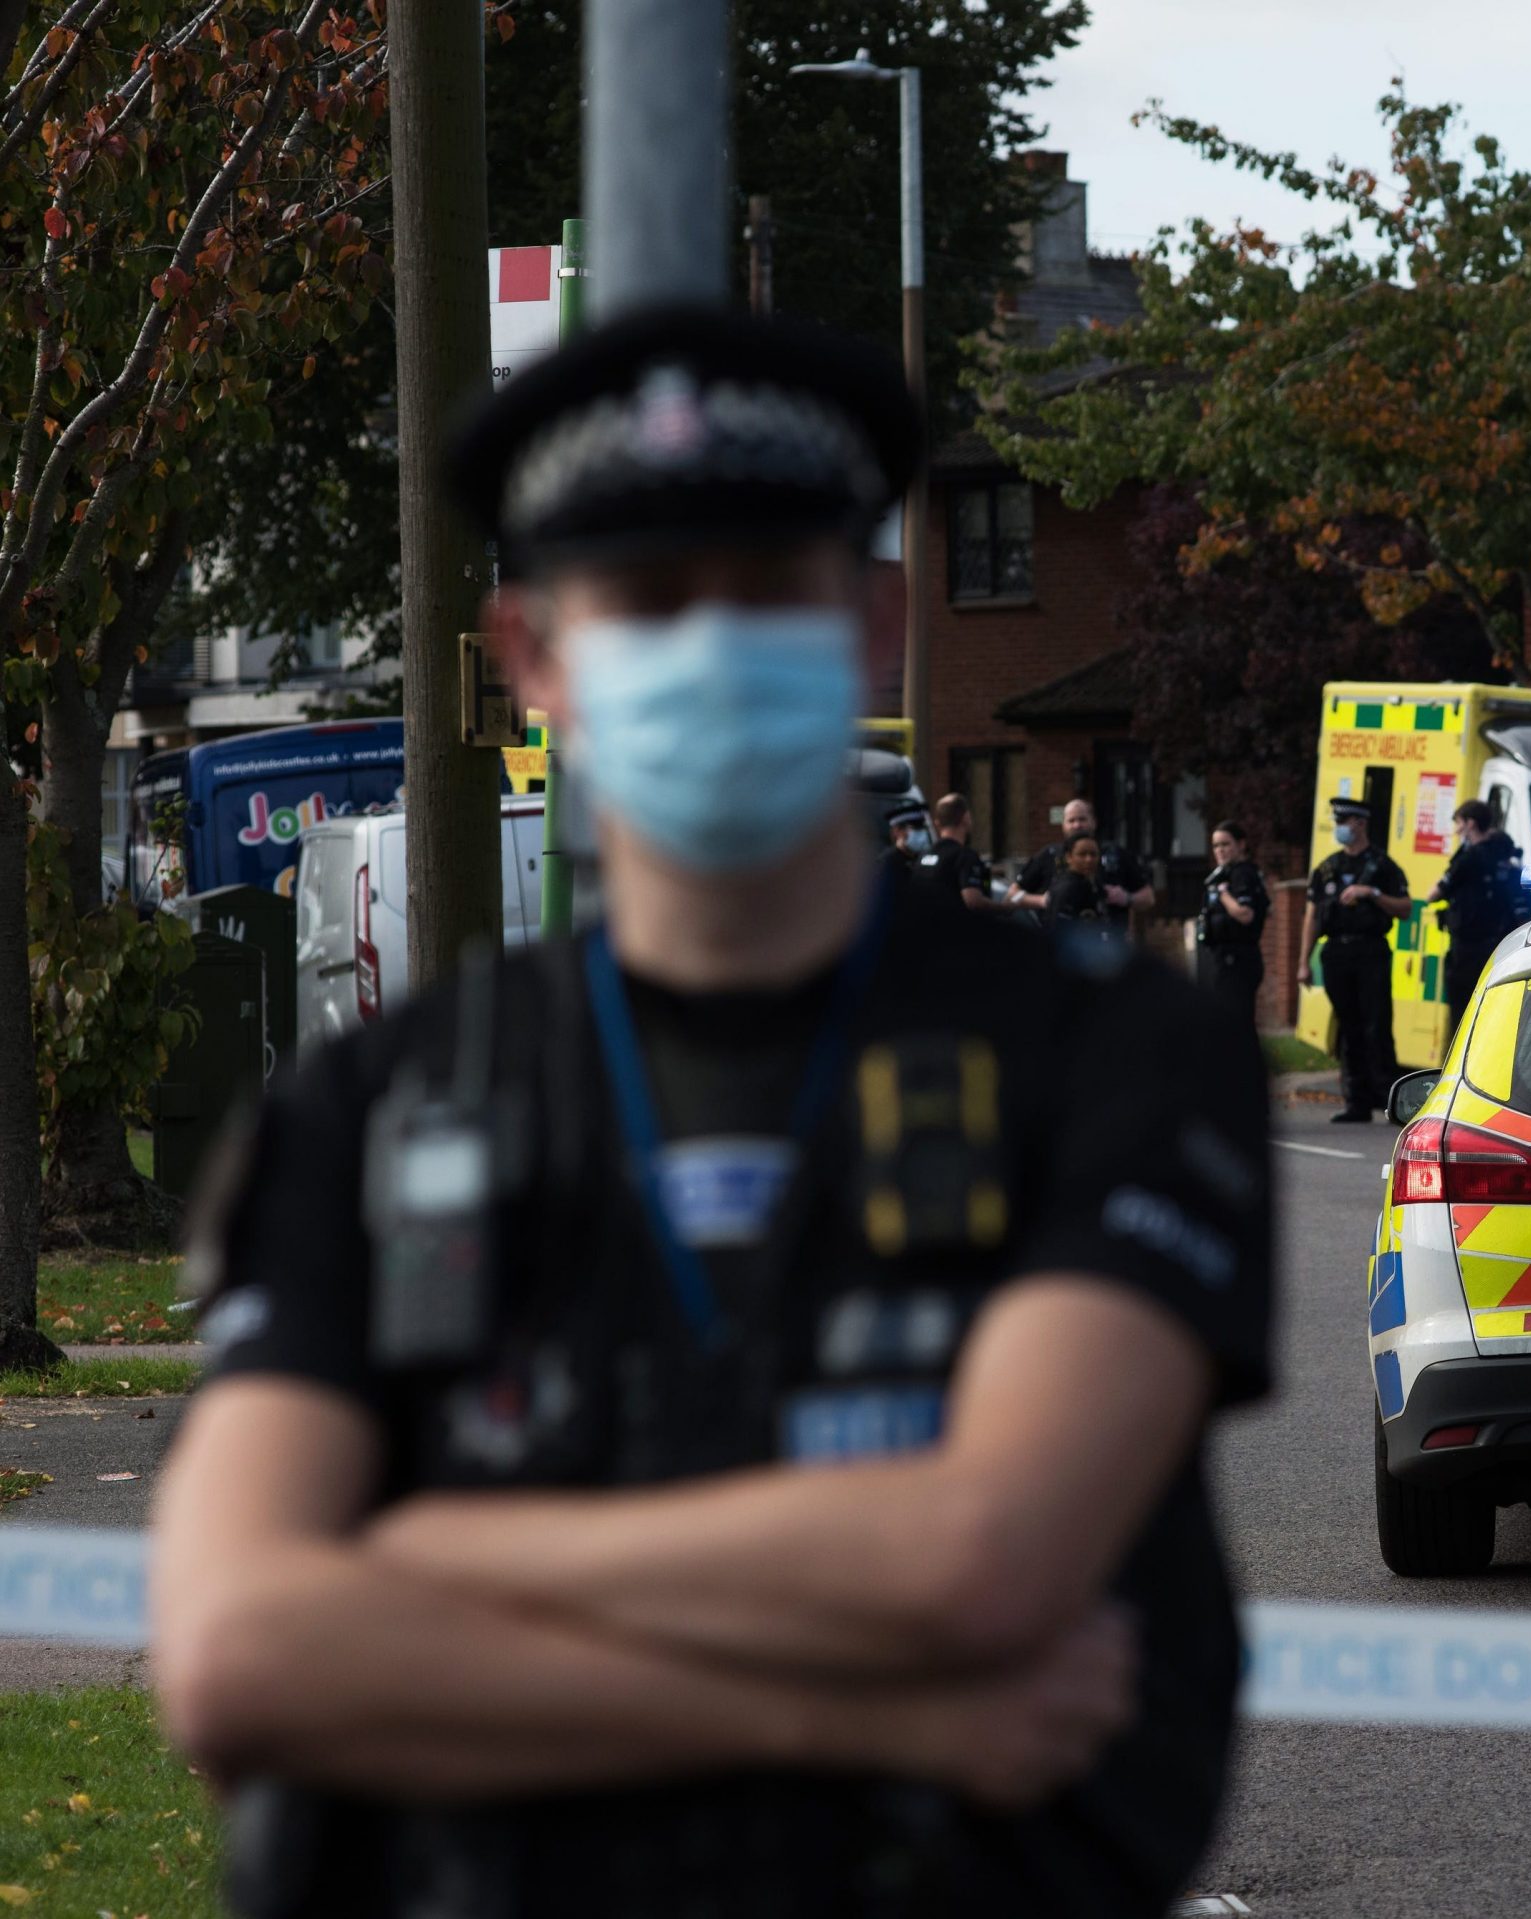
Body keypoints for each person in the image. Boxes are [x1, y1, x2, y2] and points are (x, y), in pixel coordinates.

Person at [150, 304, 1273, 1919]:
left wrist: (420, 1555)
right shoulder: (378, 1101)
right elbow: (245, 1651)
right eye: (649, 600)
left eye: (763, 594)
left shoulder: (1105, 1050)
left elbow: (981, 1557)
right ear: (534, 654)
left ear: (876, 626)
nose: (706, 646)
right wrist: (849, 1705)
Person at [1297, 796, 1410, 1124]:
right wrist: (1303, 961)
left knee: (1376, 1024)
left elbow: (1405, 907)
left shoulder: (1382, 865)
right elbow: (1311, 918)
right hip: (1336, 953)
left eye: (1343, 822)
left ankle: (1390, 1100)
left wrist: (1371, 893)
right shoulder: (1327, 868)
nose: (1339, 828)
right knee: (1348, 1027)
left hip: (1370, 951)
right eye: (1337, 822)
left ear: (1360, 823)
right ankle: (1355, 1101)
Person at [1425, 798, 1530, 1030]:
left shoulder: (1467, 860)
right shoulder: (1507, 860)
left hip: (1467, 951)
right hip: (1502, 951)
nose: (1457, 831)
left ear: (1471, 824)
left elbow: (1432, 895)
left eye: (1459, 824)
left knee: (1462, 1017)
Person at [1013, 797, 1152, 934]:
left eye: (1082, 819)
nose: (1077, 825)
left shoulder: (1114, 854)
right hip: (1061, 944)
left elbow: (1148, 897)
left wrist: (1127, 898)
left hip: (1110, 943)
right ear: (1068, 858)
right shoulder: (1050, 855)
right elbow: (1012, 895)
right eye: (1071, 820)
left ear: (1094, 822)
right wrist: (1043, 900)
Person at [1194, 821, 1269, 1024]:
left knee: (1236, 1023)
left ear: (1241, 844)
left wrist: (1223, 894)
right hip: (1222, 956)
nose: (1220, 851)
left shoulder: (1242, 874)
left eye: (1225, 844)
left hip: (1238, 958)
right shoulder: (1224, 874)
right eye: (1216, 846)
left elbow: (1245, 914)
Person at [914, 792, 1000, 910]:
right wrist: (1006, 907)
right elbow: (974, 901)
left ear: (937, 823)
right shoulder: (965, 857)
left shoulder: (924, 856)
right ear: (966, 818)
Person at [1044, 835, 1113, 936]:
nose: (1089, 859)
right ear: (1069, 857)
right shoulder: (1066, 889)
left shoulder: (1094, 882)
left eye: (1093, 854)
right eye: (1082, 854)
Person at [883, 795, 934, 873]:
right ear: (897, 831)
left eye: (922, 827)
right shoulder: (886, 863)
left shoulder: (925, 860)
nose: (920, 831)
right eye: (915, 828)